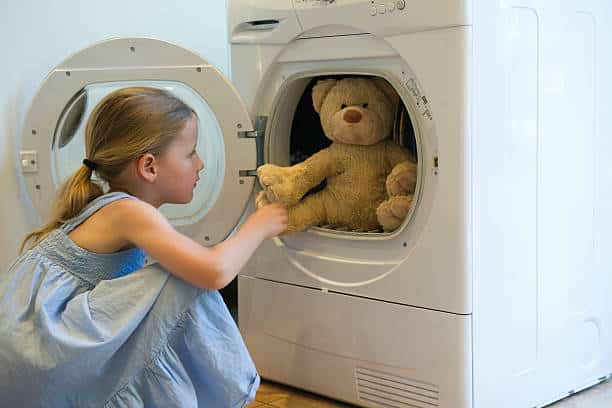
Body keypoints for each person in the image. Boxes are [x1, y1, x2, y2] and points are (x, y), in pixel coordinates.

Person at [0, 87, 288, 407]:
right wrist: (260, 224)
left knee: (177, 272)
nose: (201, 164)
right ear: (149, 166)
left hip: (32, 351)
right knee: (182, 280)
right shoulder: (129, 211)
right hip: (44, 353)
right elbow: (214, 271)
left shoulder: (114, 207)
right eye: (191, 153)